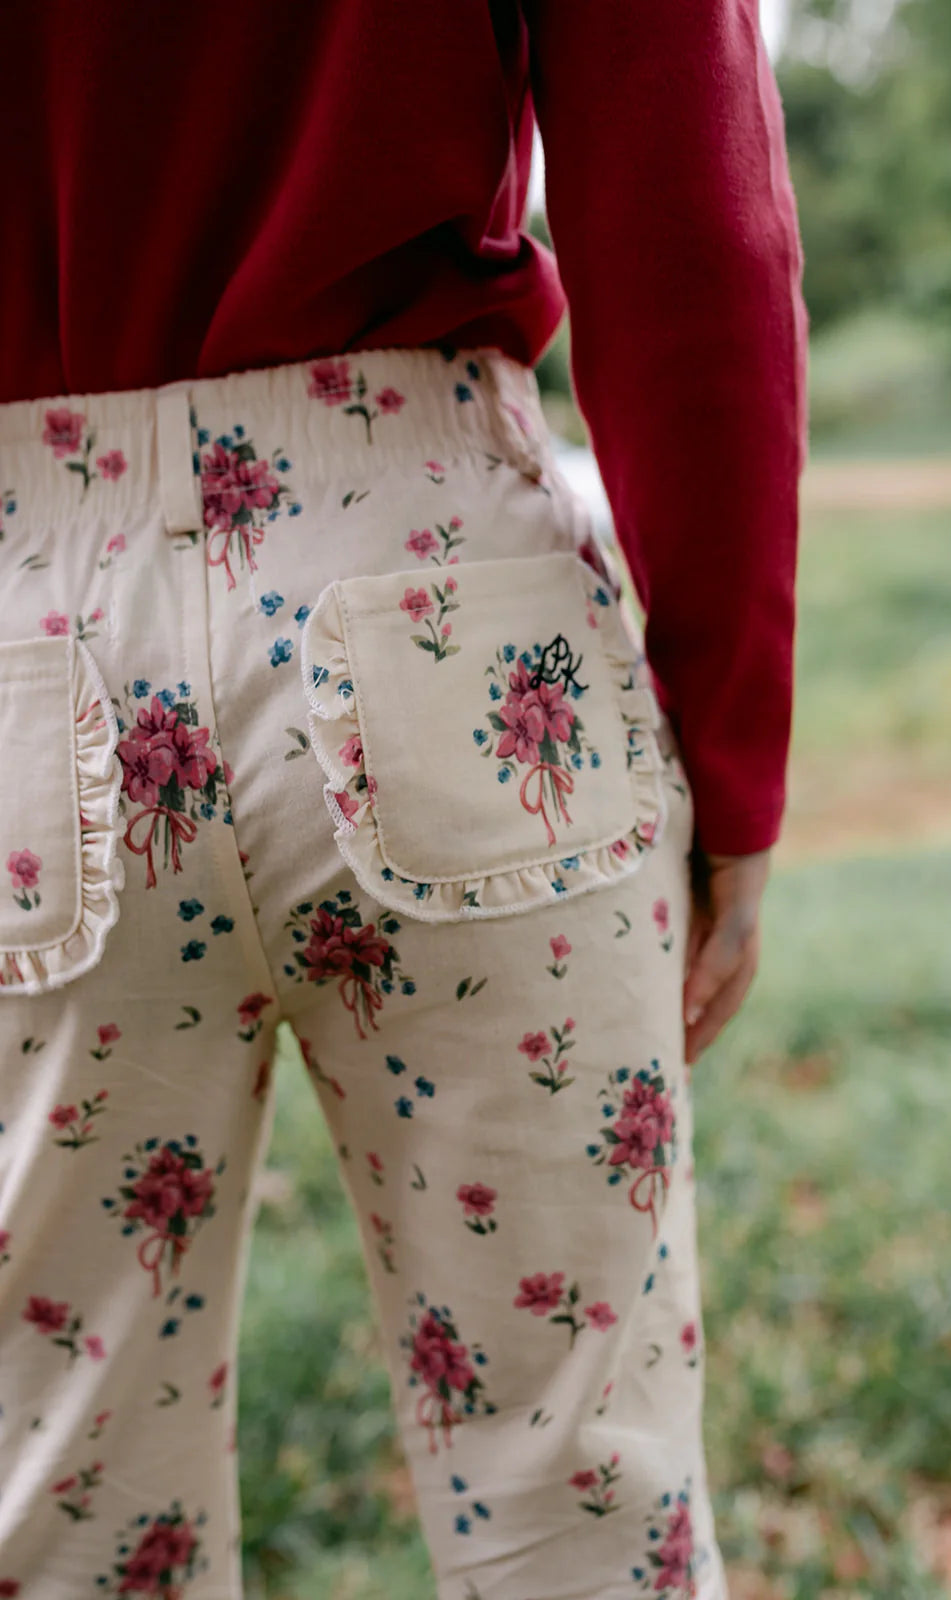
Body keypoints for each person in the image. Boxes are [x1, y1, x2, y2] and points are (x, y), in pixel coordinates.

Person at [0, 2, 805, 1595]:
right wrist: (735, 767)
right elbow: (697, 227)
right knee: (580, 1497)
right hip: (444, 599)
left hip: (28, 633)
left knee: (64, 1513)